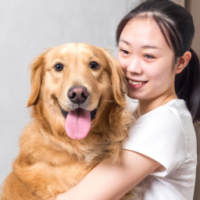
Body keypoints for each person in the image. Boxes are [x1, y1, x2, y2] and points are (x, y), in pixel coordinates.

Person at [56, 0, 200, 199]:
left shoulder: (166, 122)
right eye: (125, 51)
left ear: (180, 62)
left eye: (149, 56)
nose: (132, 67)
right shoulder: (137, 114)